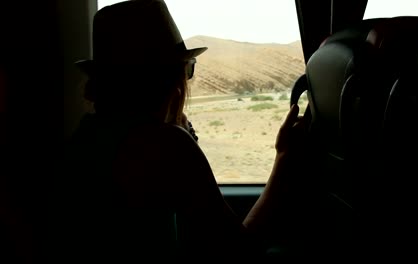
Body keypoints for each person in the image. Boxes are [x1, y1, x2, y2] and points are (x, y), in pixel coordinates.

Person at [63, 0, 306, 261]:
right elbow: (238, 255)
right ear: (171, 78)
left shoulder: (86, 135)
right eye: (188, 69)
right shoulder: (164, 146)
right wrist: (284, 158)